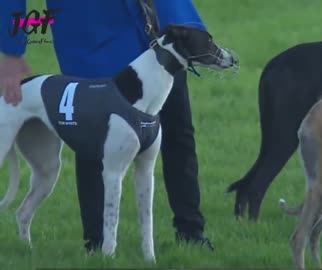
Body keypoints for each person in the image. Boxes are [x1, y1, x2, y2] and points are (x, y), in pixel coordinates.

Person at [0, 0, 213, 252]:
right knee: (94, 143)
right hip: (93, 33)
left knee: (178, 133)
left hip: (158, 29)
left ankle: (191, 233)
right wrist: (12, 52)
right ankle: (98, 246)